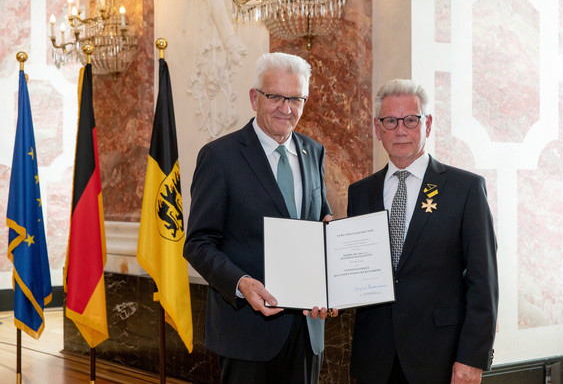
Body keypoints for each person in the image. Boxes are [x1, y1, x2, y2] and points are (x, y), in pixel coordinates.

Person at [184, 52, 336, 384]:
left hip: (308, 329)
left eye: (296, 98)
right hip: (245, 333)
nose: (287, 108)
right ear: (255, 98)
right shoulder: (219, 157)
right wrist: (240, 283)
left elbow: (321, 217)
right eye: (276, 96)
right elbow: (198, 243)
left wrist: (333, 272)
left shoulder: (315, 152)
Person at [347, 79, 498, 384]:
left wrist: (471, 358)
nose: (400, 130)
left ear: (427, 125)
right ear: (378, 129)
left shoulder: (464, 189)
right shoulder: (361, 193)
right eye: (390, 121)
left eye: (411, 120)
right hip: (374, 358)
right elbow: (357, 270)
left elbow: (484, 281)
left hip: (439, 358)